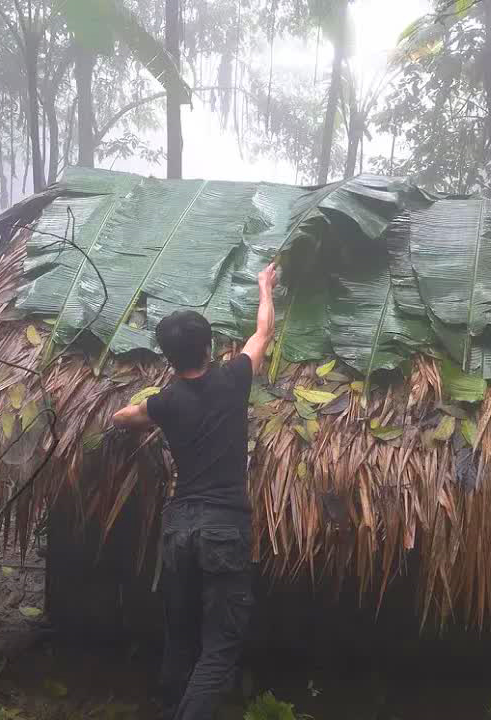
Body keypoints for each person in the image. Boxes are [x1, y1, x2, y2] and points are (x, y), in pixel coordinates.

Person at [112, 262, 278, 720]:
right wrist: (265, 286)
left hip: (179, 528)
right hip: (223, 527)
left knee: (180, 633)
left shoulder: (166, 403)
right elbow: (263, 332)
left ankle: (169, 705)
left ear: (169, 358)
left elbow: (122, 418)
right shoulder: (233, 379)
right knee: (220, 647)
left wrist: (139, 406)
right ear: (209, 347)